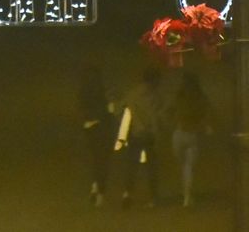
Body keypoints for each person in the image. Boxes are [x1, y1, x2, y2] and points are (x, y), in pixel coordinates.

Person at [114, 67, 163, 207]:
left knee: (132, 166)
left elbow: (120, 109)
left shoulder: (133, 94)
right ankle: (153, 197)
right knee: (152, 167)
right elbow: (155, 117)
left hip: (135, 134)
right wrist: (156, 132)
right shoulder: (155, 96)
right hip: (149, 135)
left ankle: (127, 193)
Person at [170, 71, 213, 207]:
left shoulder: (179, 95)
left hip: (178, 134)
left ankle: (186, 194)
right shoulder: (201, 97)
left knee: (182, 165)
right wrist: (206, 127)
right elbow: (206, 115)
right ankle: (187, 197)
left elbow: (170, 110)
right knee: (188, 167)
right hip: (192, 135)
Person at [76, 66, 115, 206]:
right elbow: (110, 111)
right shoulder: (104, 92)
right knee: (103, 161)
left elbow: (81, 110)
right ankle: (100, 192)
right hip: (103, 129)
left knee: (95, 160)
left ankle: (95, 186)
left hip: (89, 129)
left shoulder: (83, 92)